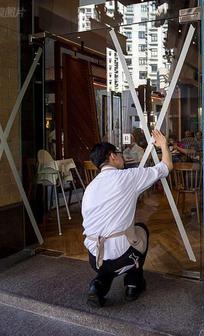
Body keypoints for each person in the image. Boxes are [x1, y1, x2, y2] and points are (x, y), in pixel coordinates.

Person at [82, 129, 173, 307]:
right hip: (122, 256)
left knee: (108, 257)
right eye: (119, 153)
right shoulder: (128, 177)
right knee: (141, 230)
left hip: (94, 258)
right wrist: (163, 144)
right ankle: (133, 284)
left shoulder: (90, 187)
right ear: (112, 156)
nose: (121, 156)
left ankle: (98, 286)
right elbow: (166, 167)